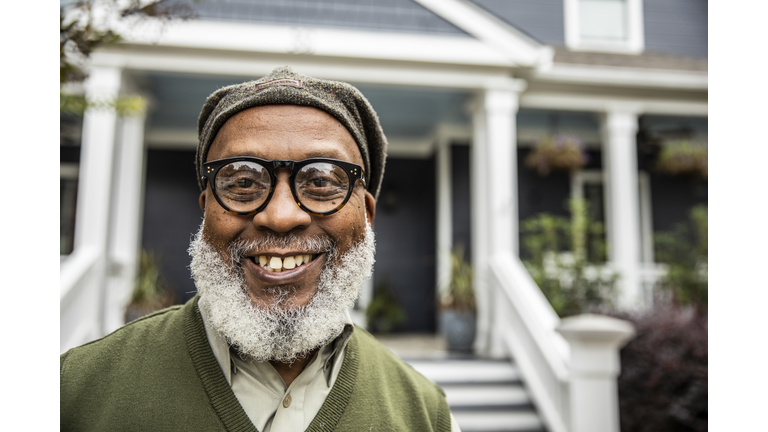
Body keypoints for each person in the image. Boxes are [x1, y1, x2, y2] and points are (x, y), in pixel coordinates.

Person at [60, 67, 460, 432]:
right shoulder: (70, 394)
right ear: (207, 211)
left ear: (367, 214)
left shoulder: (425, 416)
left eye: (321, 181)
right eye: (243, 181)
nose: (281, 216)